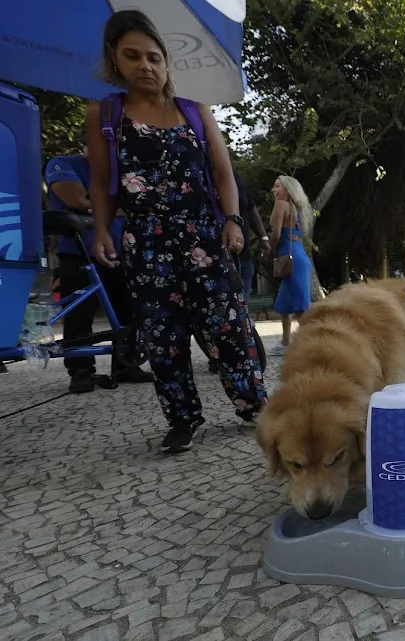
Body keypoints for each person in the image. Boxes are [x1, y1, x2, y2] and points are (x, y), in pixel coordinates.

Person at [86, 10, 268, 454]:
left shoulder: (193, 110)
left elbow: (224, 174)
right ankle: (182, 419)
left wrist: (232, 221)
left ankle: (255, 406)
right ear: (115, 60)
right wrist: (102, 230)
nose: (145, 66)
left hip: (205, 236)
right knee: (162, 336)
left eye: (154, 57)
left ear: (167, 63)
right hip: (146, 243)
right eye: (133, 56)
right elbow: (101, 179)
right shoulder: (105, 114)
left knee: (228, 327)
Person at [44, 127, 153, 393]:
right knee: (80, 314)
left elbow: (145, 205)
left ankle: (126, 364)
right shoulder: (63, 164)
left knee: (128, 311)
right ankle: (81, 371)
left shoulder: (122, 172)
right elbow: (78, 200)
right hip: (80, 251)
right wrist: (119, 206)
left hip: (124, 250)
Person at [205, 169, 269, 373]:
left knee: (242, 306)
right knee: (217, 310)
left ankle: (242, 354)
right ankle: (218, 356)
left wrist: (264, 237)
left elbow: (251, 209)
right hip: (211, 255)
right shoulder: (198, 175)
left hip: (243, 255)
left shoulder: (237, 178)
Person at [269, 175, 313, 354]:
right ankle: (286, 342)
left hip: (289, 256)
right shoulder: (300, 210)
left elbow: (277, 234)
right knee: (285, 304)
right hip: (299, 256)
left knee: (301, 307)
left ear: (287, 189)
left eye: (277, 186)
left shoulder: (281, 205)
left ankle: (310, 343)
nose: (274, 190)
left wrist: (269, 250)